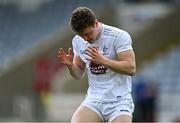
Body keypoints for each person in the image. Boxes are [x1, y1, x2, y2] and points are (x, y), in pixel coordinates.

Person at [58, 7, 136, 123]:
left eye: (88, 33)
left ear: (96, 23)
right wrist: (71, 67)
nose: (86, 39)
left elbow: (131, 68)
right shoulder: (78, 41)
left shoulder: (118, 36)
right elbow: (78, 74)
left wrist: (103, 60)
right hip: (94, 100)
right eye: (81, 35)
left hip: (119, 101)